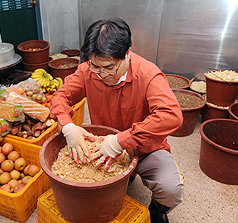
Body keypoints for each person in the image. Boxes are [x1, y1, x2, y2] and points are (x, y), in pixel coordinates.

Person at [50, 17, 184, 223]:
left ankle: (157, 211)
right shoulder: (88, 70)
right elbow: (61, 96)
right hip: (102, 146)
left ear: (127, 53)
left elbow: (171, 115)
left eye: (109, 67)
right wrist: (68, 126)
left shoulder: (148, 75)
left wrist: (120, 141)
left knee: (171, 188)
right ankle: (123, 178)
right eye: (96, 66)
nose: (102, 74)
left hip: (145, 147)